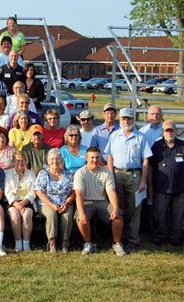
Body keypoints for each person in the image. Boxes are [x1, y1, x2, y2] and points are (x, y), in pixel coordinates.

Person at [105, 108, 152, 248]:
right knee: (119, 206)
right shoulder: (114, 136)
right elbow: (109, 157)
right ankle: (120, 237)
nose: (126, 121)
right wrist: (111, 175)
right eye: (124, 119)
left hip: (135, 176)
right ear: (120, 120)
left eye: (129, 119)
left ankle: (133, 239)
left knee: (135, 209)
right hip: (117, 175)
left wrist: (143, 181)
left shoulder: (141, 137)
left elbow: (146, 161)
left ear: (133, 120)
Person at [74, 146, 127, 256]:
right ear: (87, 158)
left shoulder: (107, 173)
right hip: (86, 202)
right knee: (81, 219)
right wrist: (82, 212)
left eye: (97, 157)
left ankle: (117, 244)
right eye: (92, 157)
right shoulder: (80, 173)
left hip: (102, 202)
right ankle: (87, 243)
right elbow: (79, 194)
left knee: (118, 217)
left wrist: (116, 209)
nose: (95, 160)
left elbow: (111, 192)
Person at [149, 120, 184, 246]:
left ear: (176, 131)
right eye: (166, 131)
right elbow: (150, 167)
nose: (169, 133)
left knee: (177, 216)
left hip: (179, 188)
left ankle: (175, 238)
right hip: (161, 187)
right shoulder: (157, 146)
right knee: (160, 214)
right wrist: (150, 185)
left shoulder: (182, 145)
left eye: (171, 130)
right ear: (162, 131)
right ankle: (160, 237)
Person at [35, 148, 75, 253]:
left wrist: (66, 203)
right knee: (51, 215)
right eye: (52, 159)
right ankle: (52, 243)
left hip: (64, 203)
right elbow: (39, 192)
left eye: (57, 159)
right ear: (48, 161)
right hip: (46, 203)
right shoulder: (43, 174)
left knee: (67, 215)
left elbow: (73, 192)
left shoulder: (68, 174)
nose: (55, 161)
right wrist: (52, 205)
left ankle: (65, 243)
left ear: (61, 160)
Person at [4, 151, 37, 251]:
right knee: (15, 215)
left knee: (27, 215)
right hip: (13, 202)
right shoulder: (8, 174)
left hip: (28, 202)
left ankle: (26, 243)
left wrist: (23, 203)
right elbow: (7, 191)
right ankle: (18, 243)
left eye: (22, 160)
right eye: (18, 160)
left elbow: (34, 191)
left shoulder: (31, 174)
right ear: (13, 161)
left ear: (25, 161)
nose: (20, 163)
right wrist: (17, 204)